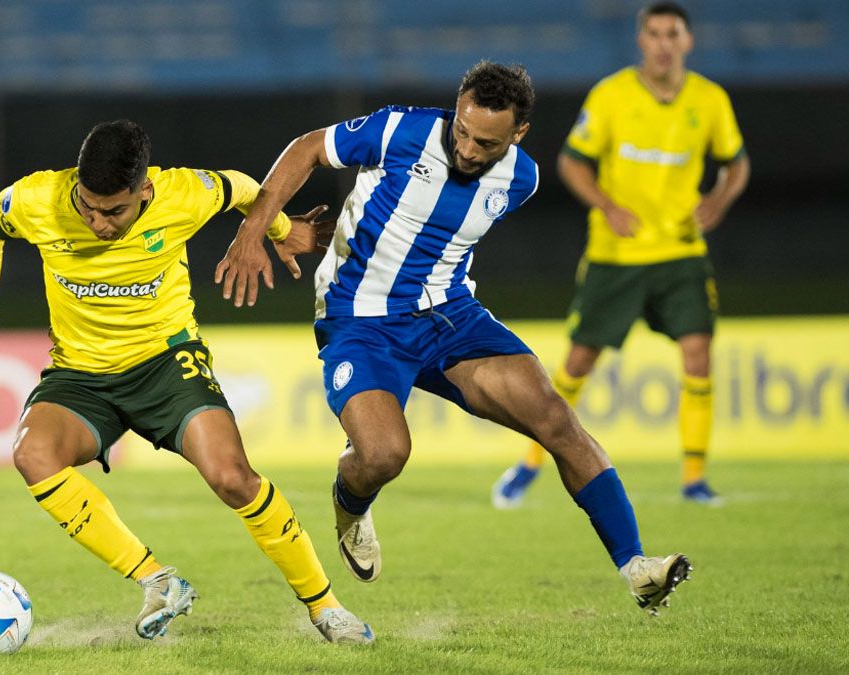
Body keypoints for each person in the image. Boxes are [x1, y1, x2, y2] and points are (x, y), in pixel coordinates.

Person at [215, 61, 690, 614]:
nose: (466, 148)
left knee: (556, 420)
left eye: (485, 142)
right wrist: (258, 229)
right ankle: (351, 506)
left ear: (518, 135)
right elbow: (307, 148)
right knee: (384, 454)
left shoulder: (521, 179)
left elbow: (436, 235)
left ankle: (637, 568)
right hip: (360, 321)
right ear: (456, 107)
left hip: (449, 316)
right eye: (461, 131)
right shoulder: (401, 131)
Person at [0, 120, 373, 643]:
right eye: (88, 206)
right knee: (33, 454)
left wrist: (279, 230)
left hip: (166, 364)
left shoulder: (183, 193)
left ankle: (326, 608)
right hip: (81, 374)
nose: (98, 222)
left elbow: (243, 188)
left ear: (144, 190)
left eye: (114, 211)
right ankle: (158, 581)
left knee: (233, 478)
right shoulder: (37, 199)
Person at [492, 1, 750, 508]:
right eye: (653, 33)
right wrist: (606, 205)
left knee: (698, 353)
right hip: (618, 255)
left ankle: (695, 479)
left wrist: (717, 201)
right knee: (578, 362)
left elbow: (736, 163)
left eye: (672, 34)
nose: (663, 43)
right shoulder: (611, 96)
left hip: (681, 252)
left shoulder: (710, 100)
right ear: (641, 40)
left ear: (687, 41)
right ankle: (528, 466)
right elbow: (571, 163)